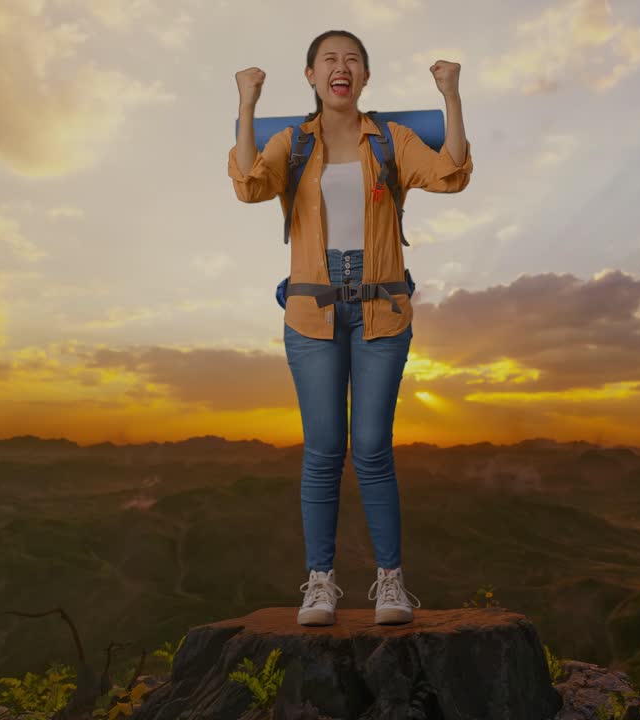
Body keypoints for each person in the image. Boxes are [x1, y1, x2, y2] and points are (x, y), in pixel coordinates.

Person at [229, 30, 473, 626]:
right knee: (322, 452)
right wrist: (247, 106)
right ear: (311, 76)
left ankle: (390, 582)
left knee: (370, 449)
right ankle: (320, 583)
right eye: (329, 60)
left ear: (365, 77)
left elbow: (453, 173)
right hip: (311, 314)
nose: (342, 68)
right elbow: (248, 185)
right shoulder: (293, 143)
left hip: (381, 310)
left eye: (353, 60)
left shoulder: (390, 141)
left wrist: (451, 96)